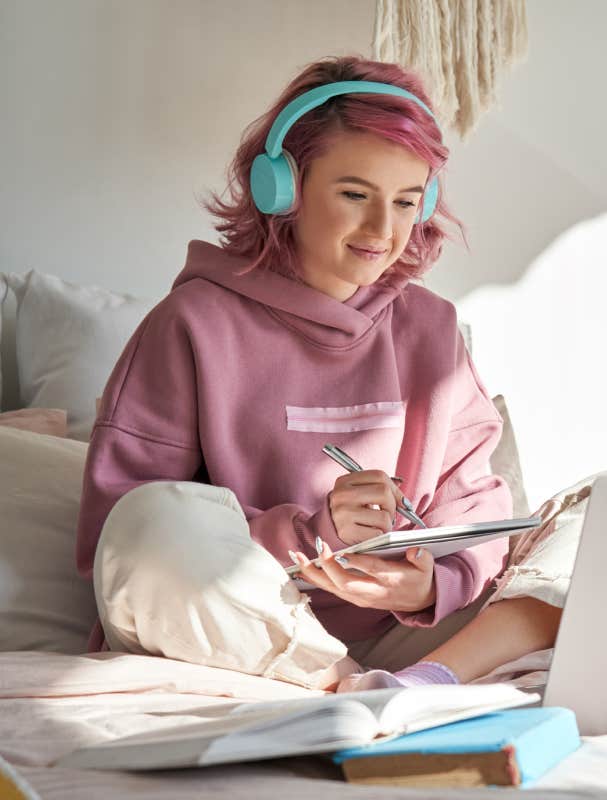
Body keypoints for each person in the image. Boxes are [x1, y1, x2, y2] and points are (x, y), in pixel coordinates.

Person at [75, 54, 564, 693]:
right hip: (244, 628)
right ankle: (348, 687)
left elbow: (475, 503)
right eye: (355, 194)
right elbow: (119, 539)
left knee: (593, 516)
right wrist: (312, 537)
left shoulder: (433, 329)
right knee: (149, 522)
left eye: (406, 201)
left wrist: (430, 584)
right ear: (283, 187)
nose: (382, 230)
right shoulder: (191, 323)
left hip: (403, 635)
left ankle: (422, 685)